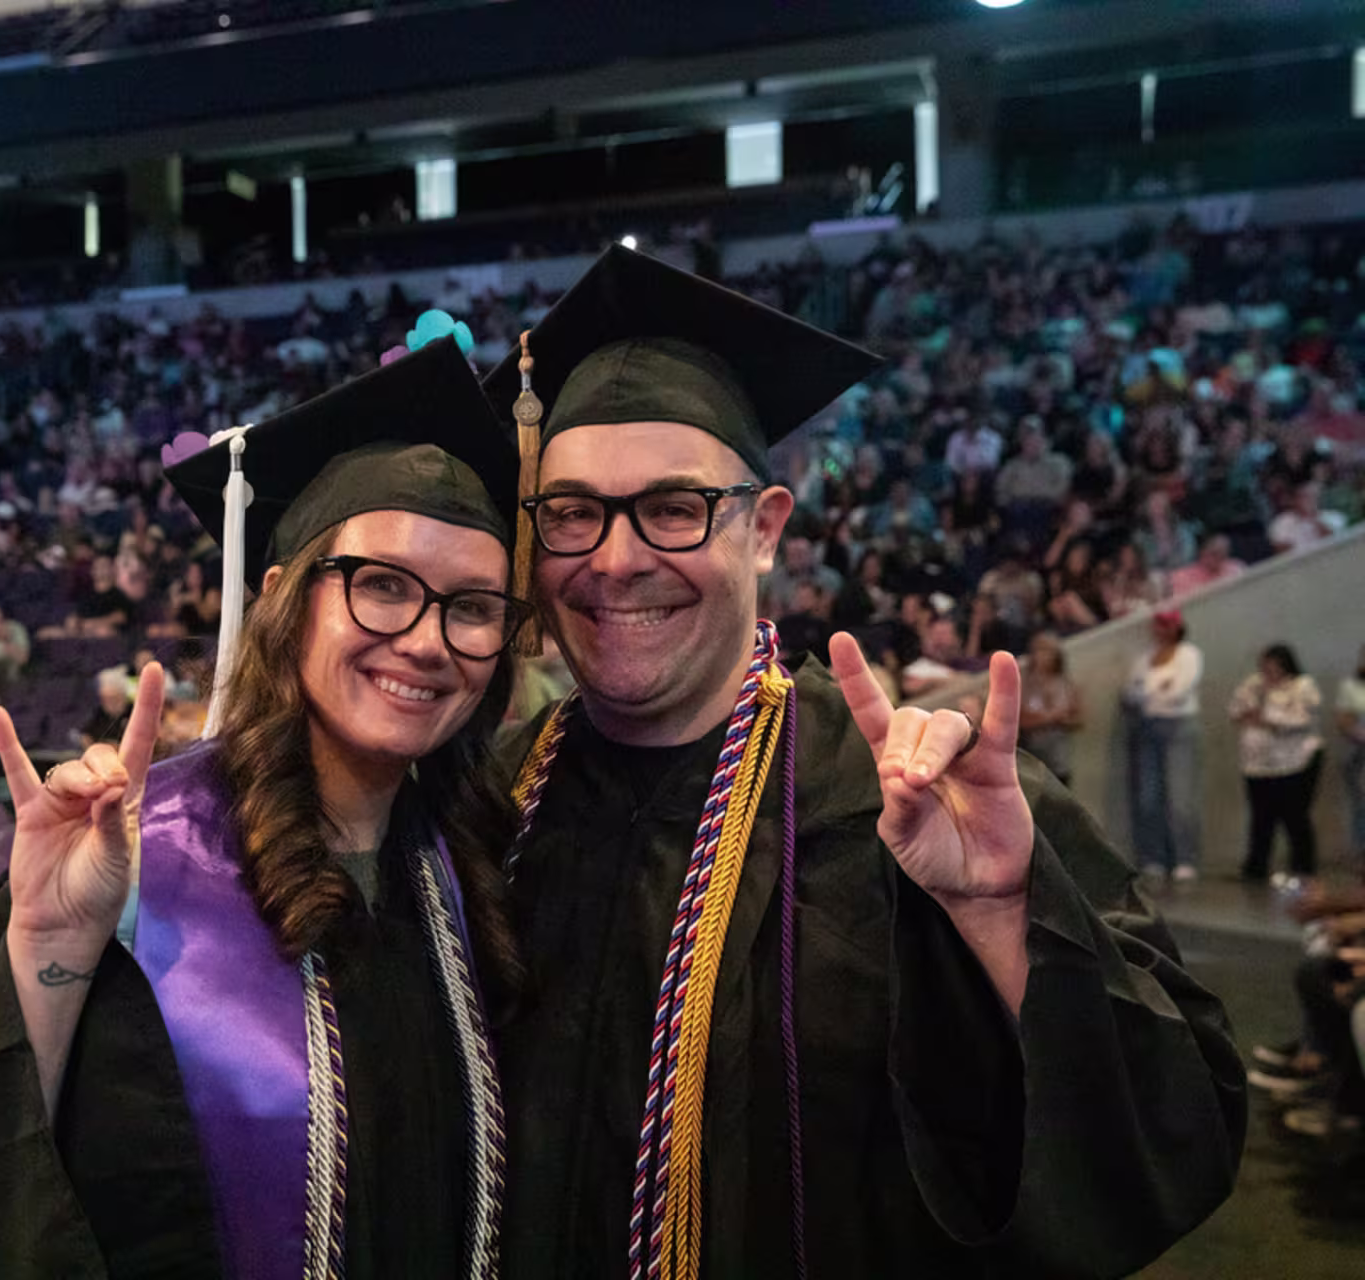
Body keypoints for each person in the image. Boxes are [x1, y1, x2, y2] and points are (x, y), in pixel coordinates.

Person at [480, 246, 1241, 1278]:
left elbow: (1176, 1133)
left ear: (764, 529)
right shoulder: (486, 801)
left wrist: (1004, 918)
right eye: (571, 512)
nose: (615, 560)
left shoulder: (917, 793)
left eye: (673, 507)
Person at [0, 338, 532, 1278]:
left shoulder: (475, 870)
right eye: (381, 586)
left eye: (473, 606)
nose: (426, 640)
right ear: (283, 600)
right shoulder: (142, 850)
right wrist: (49, 947)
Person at [1230, 644, 1325, 884]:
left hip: (1294, 762)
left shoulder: (1303, 686)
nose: (1267, 670)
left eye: (1272, 665)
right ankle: (1256, 865)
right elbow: (1237, 711)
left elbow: (1300, 719)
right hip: (1257, 764)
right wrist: (1256, 717)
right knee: (1261, 816)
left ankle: (1303, 865)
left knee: (1294, 814)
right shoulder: (1253, 684)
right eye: (1263, 665)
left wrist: (1267, 720)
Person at [1122, 609, 1205, 882]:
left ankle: (1184, 858)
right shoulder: (1146, 657)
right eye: (1158, 625)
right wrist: (1158, 688)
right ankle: (1153, 857)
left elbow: (1180, 690)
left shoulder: (1189, 654)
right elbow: (1130, 693)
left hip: (1178, 728)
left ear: (1177, 627)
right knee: (1148, 797)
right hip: (1147, 728)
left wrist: (1147, 690)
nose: (1161, 630)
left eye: (1166, 625)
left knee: (1179, 798)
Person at [1017, 631, 1083, 785]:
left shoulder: (1066, 684)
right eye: (1038, 650)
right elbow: (1021, 720)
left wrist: (1066, 720)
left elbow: (1078, 718)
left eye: (1047, 650)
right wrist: (1052, 717)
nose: (1042, 656)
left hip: (1059, 759)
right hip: (1032, 760)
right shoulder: (1025, 686)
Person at [1340, 643, 1365, 865]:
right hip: (1360, 752)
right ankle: (1361, 856)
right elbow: (1345, 722)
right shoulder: (1352, 686)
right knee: (1362, 806)